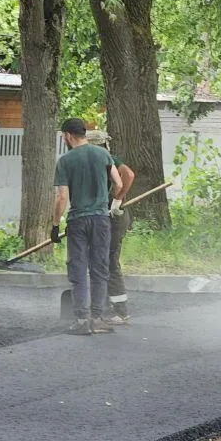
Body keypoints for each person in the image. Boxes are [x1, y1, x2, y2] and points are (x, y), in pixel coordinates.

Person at [52, 118, 122, 336]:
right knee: (100, 268)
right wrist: (110, 204)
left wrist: (55, 225)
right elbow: (119, 183)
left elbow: (62, 197)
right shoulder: (103, 155)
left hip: (79, 221)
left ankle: (82, 320)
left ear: (68, 135)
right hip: (102, 220)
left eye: (63, 136)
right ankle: (98, 318)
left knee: (79, 269)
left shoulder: (65, 160)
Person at [86, 129, 135, 325]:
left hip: (113, 218)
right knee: (100, 261)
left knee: (109, 262)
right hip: (102, 218)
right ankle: (103, 306)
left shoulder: (107, 158)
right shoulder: (96, 161)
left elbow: (128, 175)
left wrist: (117, 199)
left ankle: (121, 311)